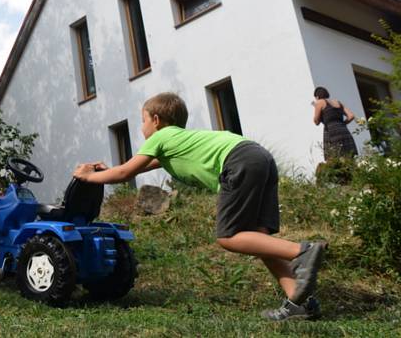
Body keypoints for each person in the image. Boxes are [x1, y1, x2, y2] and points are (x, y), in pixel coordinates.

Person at [73, 92, 327, 321]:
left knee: (229, 236)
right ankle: (299, 301)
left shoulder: (160, 137)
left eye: (143, 120)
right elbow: (130, 169)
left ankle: (302, 251)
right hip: (257, 157)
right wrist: (106, 170)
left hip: (237, 162)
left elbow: (125, 173)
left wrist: (87, 177)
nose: (142, 127)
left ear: (157, 120)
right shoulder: (175, 141)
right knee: (257, 239)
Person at [312, 86, 357, 183]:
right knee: (348, 156)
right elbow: (351, 116)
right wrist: (343, 124)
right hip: (344, 130)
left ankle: (338, 181)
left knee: (332, 158)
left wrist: (316, 107)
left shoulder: (320, 102)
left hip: (331, 131)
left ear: (317, 96)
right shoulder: (338, 102)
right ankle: (354, 179)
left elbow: (316, 121)